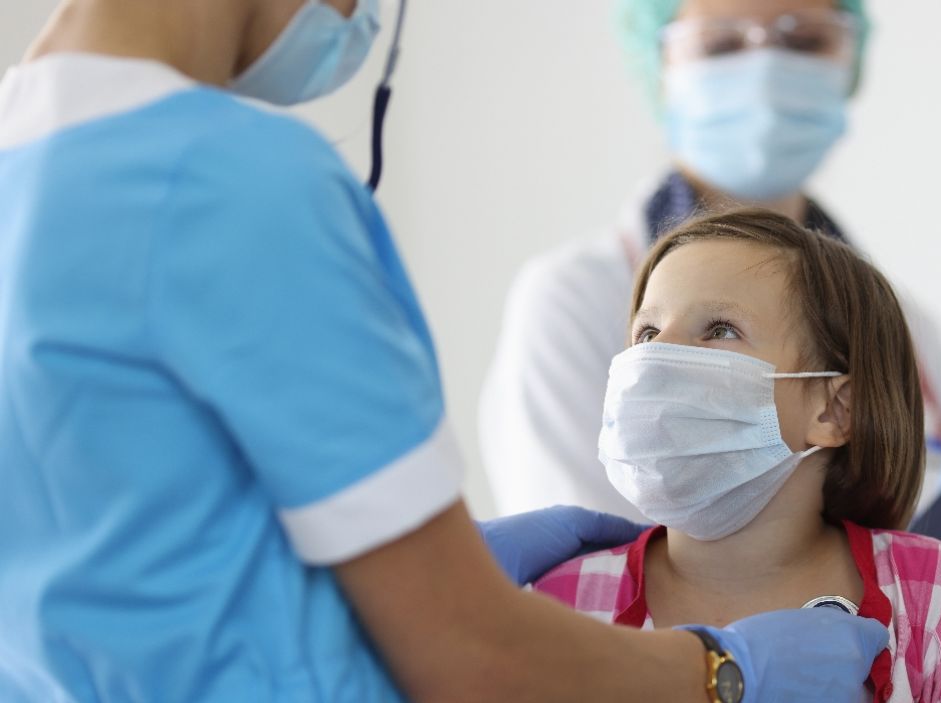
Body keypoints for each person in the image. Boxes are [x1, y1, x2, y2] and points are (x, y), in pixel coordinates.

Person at [0, 1, 891, 700]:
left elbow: (139, 556)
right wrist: (725, 671)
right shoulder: (236, 186)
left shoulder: (30, 167)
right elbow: (471, 659)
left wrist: (414, 570)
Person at [479, 0, 941, 686]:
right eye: (721, 45)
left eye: (803, 38)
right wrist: (730, 677)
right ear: (659, 63)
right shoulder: (575, 298)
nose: (766, 68)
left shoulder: (908, 328)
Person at [530, 209, 941, 701]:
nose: (655, 356)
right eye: (646, 332)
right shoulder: (558, 605)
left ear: (834, 409)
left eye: (720, 329)